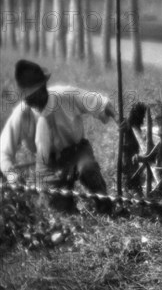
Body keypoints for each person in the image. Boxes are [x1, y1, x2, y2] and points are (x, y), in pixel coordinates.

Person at [0, 60, 116, 213]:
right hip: (50, 164)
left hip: (78, 151)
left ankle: (105, 207)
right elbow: (3, 152)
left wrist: (117, 116)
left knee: (88, 169)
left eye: (34, 96)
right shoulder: (21, 114)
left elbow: (101, 103)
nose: (31, 102)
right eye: (27, 98)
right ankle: (68, 206)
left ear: (43, 88)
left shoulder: (65, 95)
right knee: (59, 209)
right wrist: (11, 175)